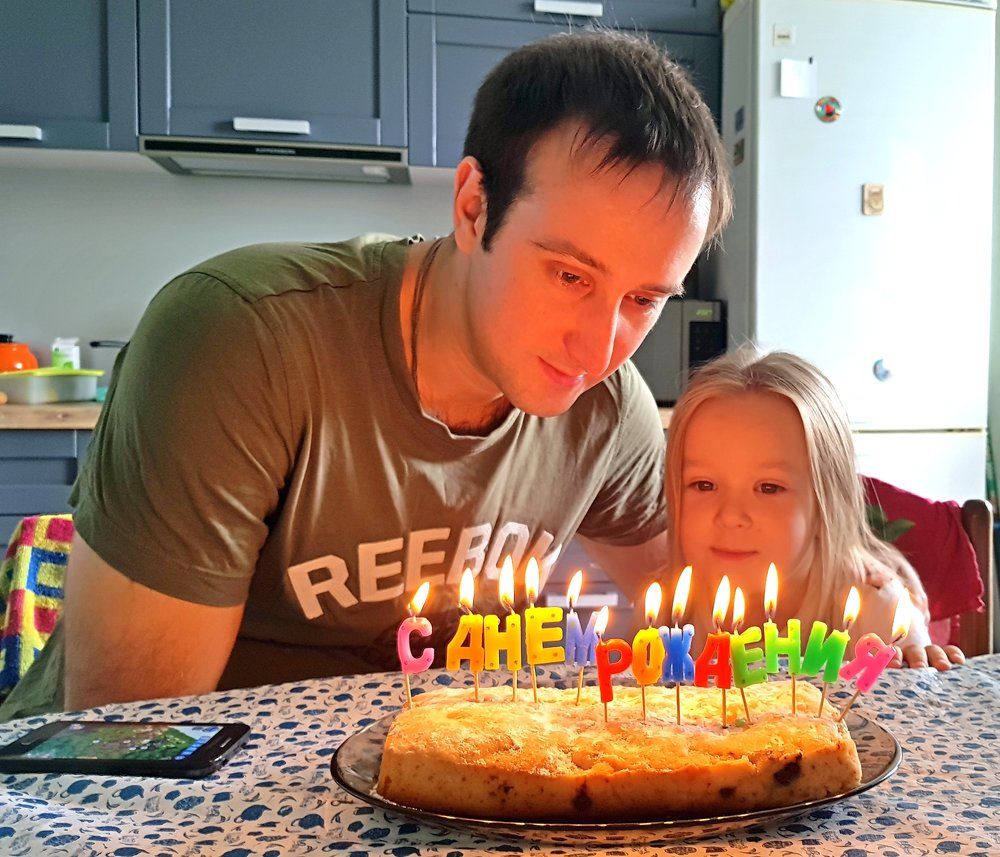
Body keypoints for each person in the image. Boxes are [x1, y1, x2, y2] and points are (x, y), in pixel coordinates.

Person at [0, 31, 732, 721]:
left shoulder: (608, 410)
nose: (599, 347)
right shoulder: (242, 340)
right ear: (474, 208)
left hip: (416, 777)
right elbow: (135, 741)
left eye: (643, 300)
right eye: (570, 275)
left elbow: (702, 621)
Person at [662, 347, 965, 671]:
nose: (731, 515)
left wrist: (918, 662)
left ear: (826, 504)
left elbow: (916, 680)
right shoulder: (666, 607)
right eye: (704, 485)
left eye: (769, 488)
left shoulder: (878, 612)